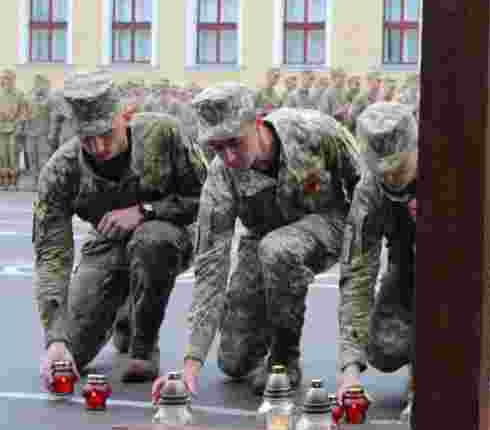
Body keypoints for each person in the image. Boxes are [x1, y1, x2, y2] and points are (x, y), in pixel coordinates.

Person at [151, 82, 363, 398]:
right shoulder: (221, 176)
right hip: (263, 238)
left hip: (329, 224)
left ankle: (284, 358)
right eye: (217, 147)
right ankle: (258, 347)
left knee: (278, 249)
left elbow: (365, 191)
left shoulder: (316, 132)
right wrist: (190, 365)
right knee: (234, 361)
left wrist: (351, 365)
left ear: (258, 122)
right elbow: (210, 267)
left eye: (235, 142)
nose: (229, 156)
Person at [336, 102, 490, 420]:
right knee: (384, 348)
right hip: (407, 269)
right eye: (382, 171)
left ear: (418, 146)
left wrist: (483, 370)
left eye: (397, 168)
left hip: (462, 274)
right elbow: (357, 271)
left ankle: (441, 374)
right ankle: (423, 363)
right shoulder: (371, 188)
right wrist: (349, 371)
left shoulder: (464, 171)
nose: (389, 177)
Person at [36, 71, 207, 389]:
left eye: (105, 133)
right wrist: (55, 339)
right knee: (71, 353)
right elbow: (51, 257)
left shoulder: (162, 133)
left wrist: (146, 211)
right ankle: (124, 313)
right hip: (109, 242)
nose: (99, 147)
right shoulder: (61, 171)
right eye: (87, 138)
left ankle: (142, 346)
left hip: (171, 233)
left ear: (124, 116)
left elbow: (206, 199)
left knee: (151, 241)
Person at [0, 69, 29, 188]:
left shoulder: (19, 94)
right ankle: (2, 180)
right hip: (1, 128)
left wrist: (18, 122)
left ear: (14, 80)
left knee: (13, 155)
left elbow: (24, 111)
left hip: (14, 128)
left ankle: (13, 181)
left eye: (9, 78)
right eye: (5, 78)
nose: (7, 81)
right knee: (2, 154)